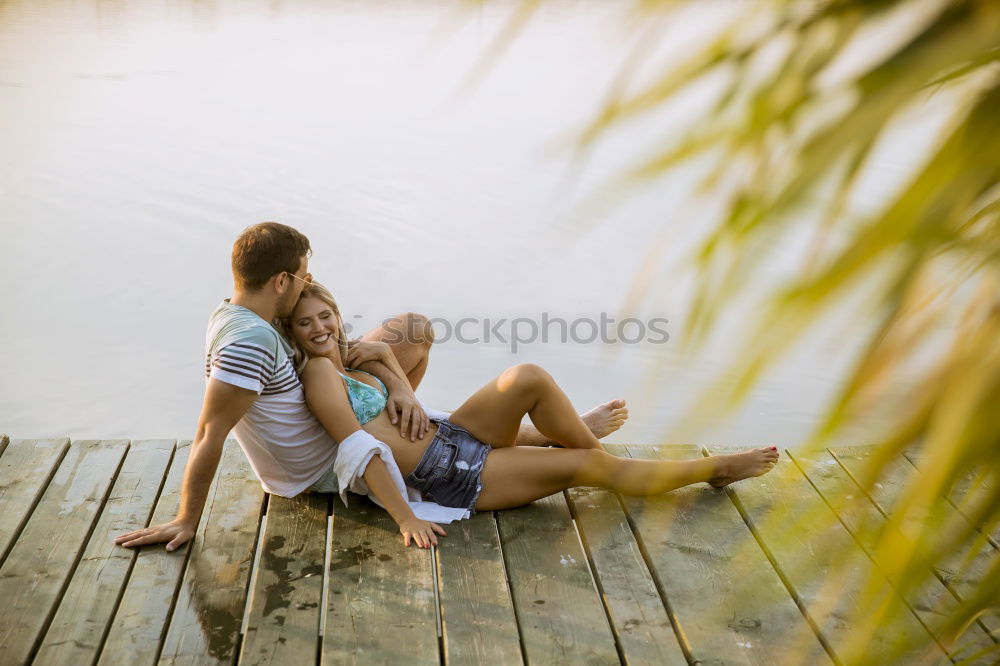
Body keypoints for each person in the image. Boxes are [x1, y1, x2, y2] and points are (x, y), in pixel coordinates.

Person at [113, 221, 627, 552]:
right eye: (303, 275)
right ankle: (519, 439)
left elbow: (334, 339)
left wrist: (394, 376)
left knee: (412, 328)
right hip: (319, 461)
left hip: (327, 393)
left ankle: (426, 424)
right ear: (281, 282)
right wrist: (185, 519)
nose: (308, 281)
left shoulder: (241, 310)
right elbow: (209, 433)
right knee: (397, 389)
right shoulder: (247, 343)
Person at [284, 281, 780, 549]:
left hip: (454, 434)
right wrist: (405, 516)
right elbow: (358, 447)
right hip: (454, 474)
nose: (320, 327)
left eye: (326, 315)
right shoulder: (318, 376)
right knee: (593, 467)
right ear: (292, 332)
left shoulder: (346, 356)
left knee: (527, 376)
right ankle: (714, 469)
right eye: (305, 323)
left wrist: (396, 382)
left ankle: (568, 443)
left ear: (336, 311)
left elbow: (390, 356)